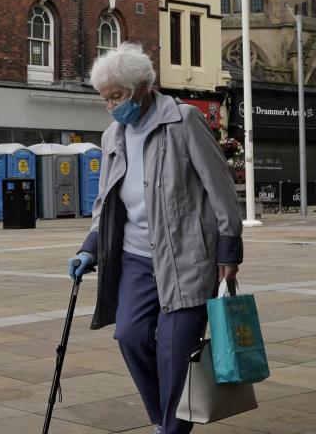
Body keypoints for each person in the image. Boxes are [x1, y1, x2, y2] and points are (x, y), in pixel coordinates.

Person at [68, 43, 243, 434]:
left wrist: (229, 246)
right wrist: (89, 248)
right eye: (105, 99)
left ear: (144, 87)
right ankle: (165, 418)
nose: (112, 106)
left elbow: (221, 188)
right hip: (135, 258)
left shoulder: (182, 122)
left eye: (118, 96)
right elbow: (105, 201)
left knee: (175, 351)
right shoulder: (113, 135)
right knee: (129, 335)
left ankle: (171, 428)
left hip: (186, 257)